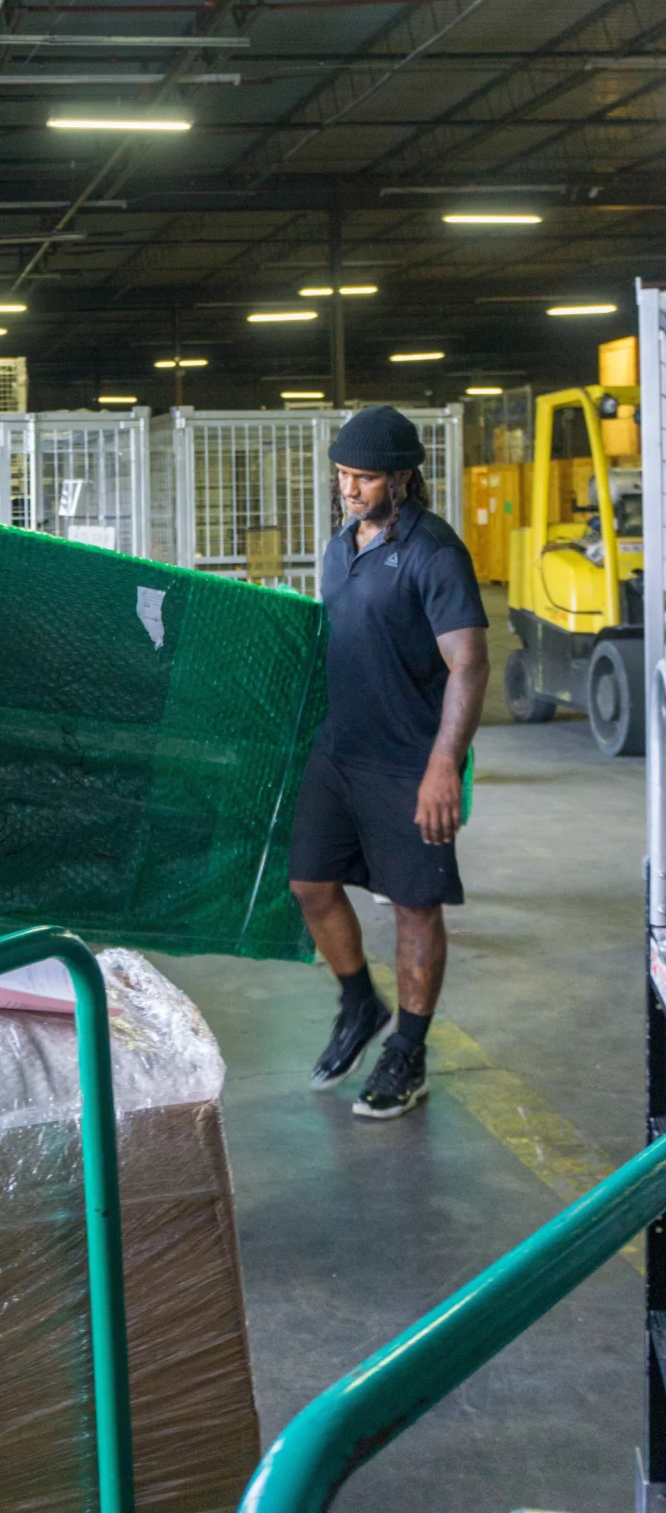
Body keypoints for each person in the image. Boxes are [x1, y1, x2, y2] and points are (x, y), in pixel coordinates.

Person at [288, 405, 489, 1120]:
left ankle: (408, 1048)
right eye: (343, 475)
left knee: (413, 907)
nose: (349, 488)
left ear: (402, 477)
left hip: (408, 763)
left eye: (365, 477)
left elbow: (467, 665)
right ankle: (357, 1005)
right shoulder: (340, 546)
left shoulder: (436, 553)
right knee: (310, 883)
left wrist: (444, 766)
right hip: (339, 751)